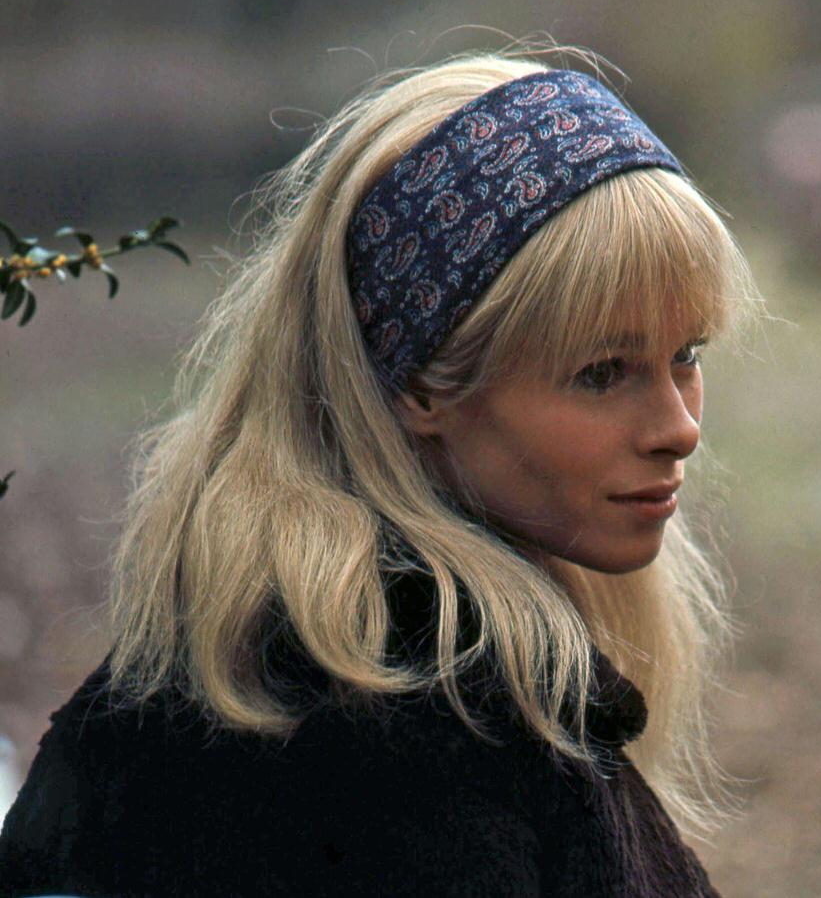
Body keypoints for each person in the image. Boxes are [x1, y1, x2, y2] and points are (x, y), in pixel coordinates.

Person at [0, 48, 758, 897]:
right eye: (602, 372)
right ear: (421, 380)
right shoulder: (397, 730)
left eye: (685, 354)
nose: (680, 427)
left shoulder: (303, 655)